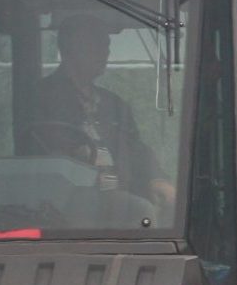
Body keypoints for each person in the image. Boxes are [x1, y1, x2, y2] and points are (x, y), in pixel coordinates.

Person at [30, 14, 175, 209]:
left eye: (105, 45)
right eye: (96, 45)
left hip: (117, 194)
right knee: (140, 210)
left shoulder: (113, 104)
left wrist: (155, 178)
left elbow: (135, 149)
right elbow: (46, 153)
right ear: (69, 50)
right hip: (68, 200)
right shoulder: (42, 98)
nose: (105, 52)